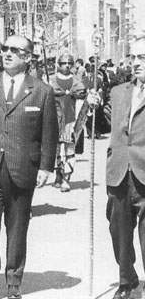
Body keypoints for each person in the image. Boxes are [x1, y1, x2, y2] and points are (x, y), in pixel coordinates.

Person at [0, 35, 58, 299]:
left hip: (22, 168)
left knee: (17, 227)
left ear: (28, 57)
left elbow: (49, 132)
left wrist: (46, 167)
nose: (7, 54)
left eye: (15, 50)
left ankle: (14, 281)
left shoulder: (42, 91)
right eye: (4, 48)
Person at [88, 38, 145, 299]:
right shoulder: (119, 90)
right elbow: (103, 123)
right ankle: (127, 281)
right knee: (118, 230)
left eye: (142, 57)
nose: (135, 62)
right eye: (133, 57)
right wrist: (92, 106)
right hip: (120, 171)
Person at [49, 53, 87, 192]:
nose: (67, 66)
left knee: (70, 151)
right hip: (54, 119)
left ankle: (66, 178)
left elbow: (83, 98)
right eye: (64, 63)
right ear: (59, 64)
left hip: (70, 120)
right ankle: (58, 175)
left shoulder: (77, 82)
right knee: (55, 151)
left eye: (69, 63)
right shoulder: (50, 80)